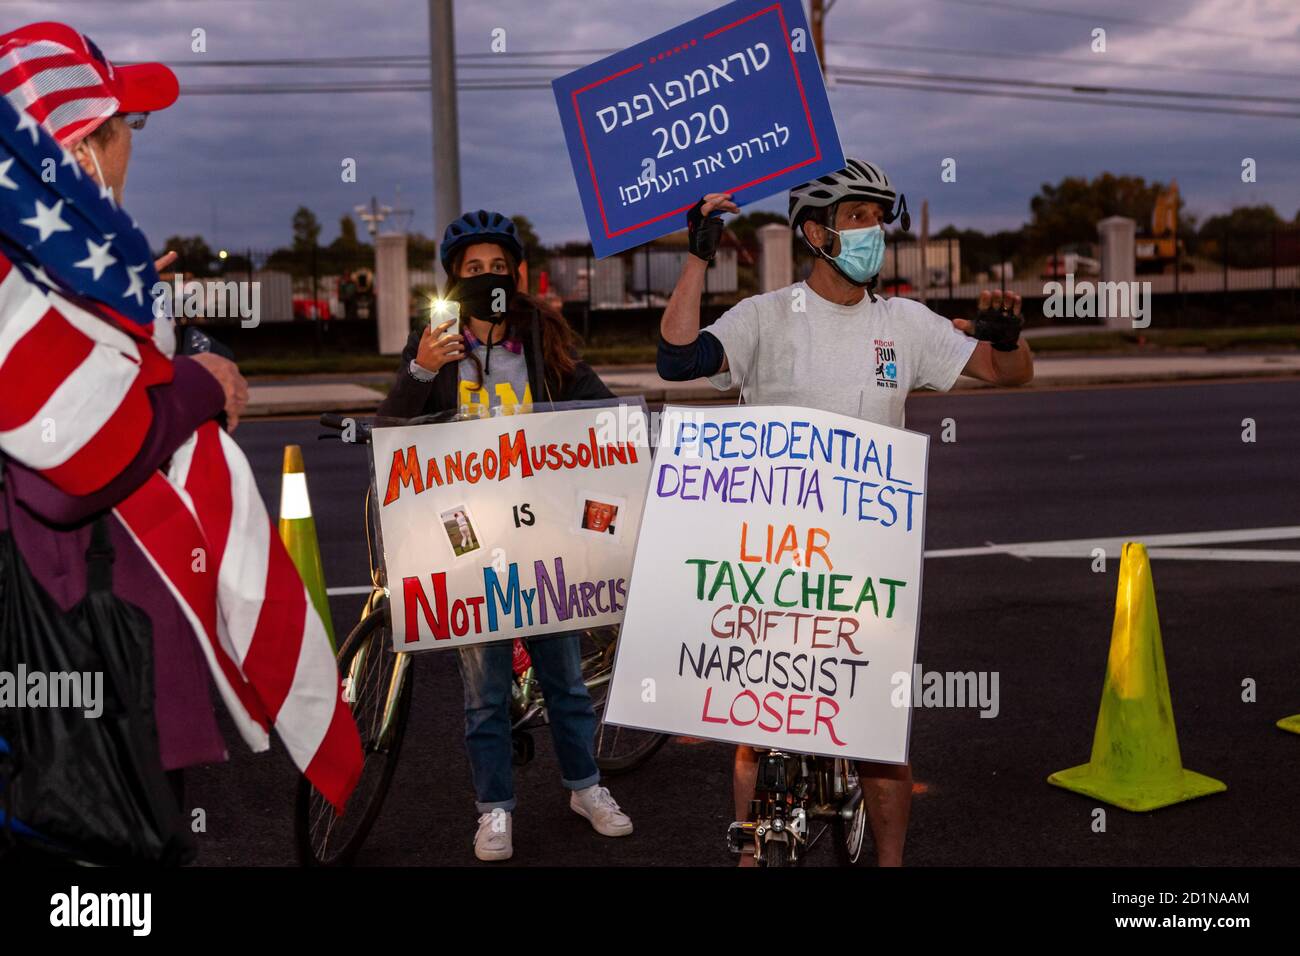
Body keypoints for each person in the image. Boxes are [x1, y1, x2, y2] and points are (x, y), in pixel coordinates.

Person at [656, 158, 1034, 866]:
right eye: (857, 218)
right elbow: (676, 360)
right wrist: (697, 258)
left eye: (876, 219)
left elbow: (1006, 372)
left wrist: (1010, 339)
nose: (873, 233)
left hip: (863, 566)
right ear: (816, 232)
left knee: (876, 742)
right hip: (771, 557)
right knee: (755, 730)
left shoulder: (906, 323)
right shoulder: (766, 317)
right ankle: (749, 854)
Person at [378, 210, 633, 861]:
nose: (487, 278)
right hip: (465, 539)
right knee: (484, 691)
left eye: (497, 267)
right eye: (473, 270)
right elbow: (394, 430)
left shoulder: (542, 339)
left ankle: (586, 786)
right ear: (453, 281)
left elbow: (595, 407)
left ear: (515, 275)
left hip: (542, 536)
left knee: (565, 681)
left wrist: (625, 435)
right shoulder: (436, 344)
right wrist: (418, 368)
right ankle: (494, 809)